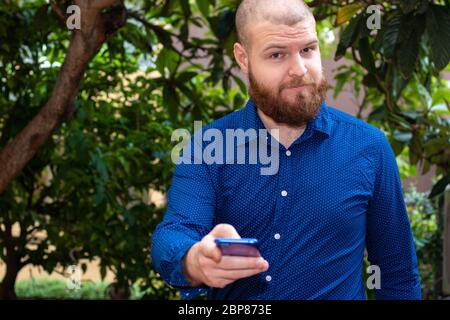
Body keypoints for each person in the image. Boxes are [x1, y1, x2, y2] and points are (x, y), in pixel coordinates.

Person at [151, 0, 421, 299]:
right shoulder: (208, 147)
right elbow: (175, 232)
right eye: (277, 54)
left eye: (307, 50)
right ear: (243, 58)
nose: (299, 69)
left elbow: (397, 274)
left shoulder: (368, 147)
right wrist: (193, 261)